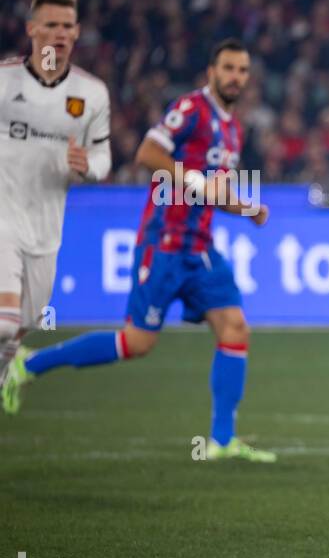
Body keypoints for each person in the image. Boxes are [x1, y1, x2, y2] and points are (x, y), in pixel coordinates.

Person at [4, 39, 277, 462]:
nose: (235, 77)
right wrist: (200, 183)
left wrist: (247, 208)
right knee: (136, 343)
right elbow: (148, 153)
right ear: (212, 71)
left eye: (242, 70)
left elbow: (212, 191)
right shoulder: (192, 110)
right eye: (228, 68)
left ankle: (222, 441)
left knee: (235, 329)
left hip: (200, 247)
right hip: (164, 243)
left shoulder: (233, 129)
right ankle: (28, 365)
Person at [0, 0, 111, 406]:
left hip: (46, 226)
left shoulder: (92, 93)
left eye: (67, 26)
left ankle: (6, 373)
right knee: (6, 322)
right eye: (50, 25)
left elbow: (103, 157)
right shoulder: (4, 81)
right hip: (2, 217)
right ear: (31, 29)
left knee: (26, 320)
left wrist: (88, 166)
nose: (59, 34)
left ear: (77, 32)